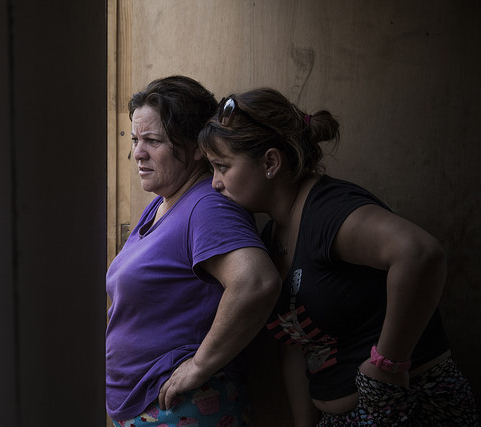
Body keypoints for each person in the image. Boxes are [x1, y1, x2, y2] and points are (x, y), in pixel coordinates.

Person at [197, 87, 480, 426]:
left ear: (270, 162)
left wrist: (388, 364)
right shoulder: (271, 237)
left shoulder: (328, 209)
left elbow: (420, 254)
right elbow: (294, 346)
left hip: (409, 408)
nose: (215, 183)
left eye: (222, 167)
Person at [105, 76, 282, 427]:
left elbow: (256, 281)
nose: (138, 152)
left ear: (198, 146)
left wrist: (199, 365)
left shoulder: (207, 207)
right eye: (136, 139)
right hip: (147, 407)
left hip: (184, 408)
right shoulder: (166, 200)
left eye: (153, 141)